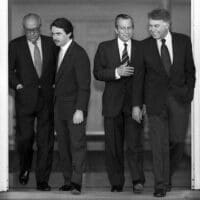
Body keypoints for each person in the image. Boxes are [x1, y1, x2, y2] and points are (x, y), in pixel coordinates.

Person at [132, 8, 196, 197]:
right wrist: (136, 105)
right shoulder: (144, 46)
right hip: (155, 103)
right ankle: (160, 184)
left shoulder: (183, 41)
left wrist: (188, 94)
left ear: (167, 25)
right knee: (158, 144)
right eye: (150, 26)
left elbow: (190, 71)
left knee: (176, 142)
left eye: (156, 26)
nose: (152, 29)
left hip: (179, 101)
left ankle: (167, 176)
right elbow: (139, 79)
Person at [93, 14, 145, 193]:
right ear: (116, 29)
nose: (126, 31)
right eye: (122, 28)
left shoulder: (141, 47)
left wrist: (138, 105)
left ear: (133, 28)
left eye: (129, 27)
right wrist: (116, 71)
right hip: (112, 106)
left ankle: (138, 180)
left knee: (134, 145)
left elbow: (144, 78)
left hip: (134, 106)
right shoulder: (104, 47)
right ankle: (116, 182)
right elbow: (98, 72)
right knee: (113, 147)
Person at [9, 13, 57, 191]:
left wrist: (55, 83)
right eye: (28, 31)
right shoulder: (15, 45)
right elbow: (8, 70)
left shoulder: (51, 43)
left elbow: (59, 66)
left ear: (40, 26)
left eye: (35, 30)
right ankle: (25, 167)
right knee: (25, 139)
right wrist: (18, 85)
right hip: (24, 100)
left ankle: (42, 180)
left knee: (45, 141)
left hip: (46, 99)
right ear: (24, 29)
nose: (32, 34)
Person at [51, 18, 91, 195]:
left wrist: (80, 109)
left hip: (75, 110)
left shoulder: (79, 53)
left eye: (58, 33)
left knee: (77, 146)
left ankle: (76, 182)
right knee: (64, 147)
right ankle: (68, 180)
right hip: (59, 109)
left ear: (69, 34)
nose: (54, 37)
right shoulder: (57, 51)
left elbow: (84, 85)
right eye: (53, 33)